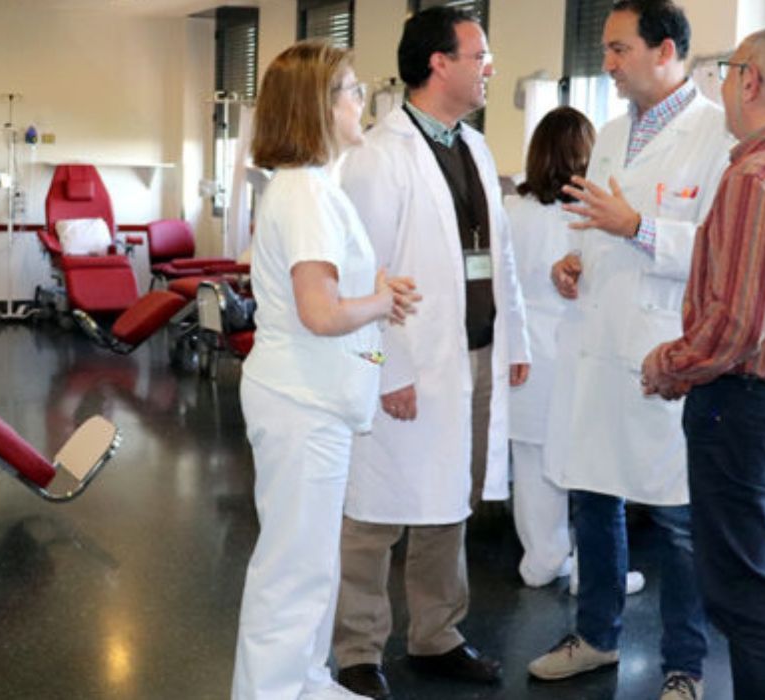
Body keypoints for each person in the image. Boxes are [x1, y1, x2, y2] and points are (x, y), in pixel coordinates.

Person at [527, 2, 731, 698]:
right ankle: (597, 637)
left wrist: (639, 226)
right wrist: (572, 261)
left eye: (619, 49)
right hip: (597, 345)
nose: (607, 65)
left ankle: (684, 666)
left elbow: (720, 251)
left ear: (666, 50)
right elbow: (593, 227)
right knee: (594, 498)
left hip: (662, 354)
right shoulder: (613, 132)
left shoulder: (718, 135)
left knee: (677, 522)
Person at [331, 8, 529, 698]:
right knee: (377, 512)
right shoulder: (379, 157)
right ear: (439, 63)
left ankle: (436, 634)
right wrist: (392, 370)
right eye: (479, 55)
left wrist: (516, 339)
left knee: (450, 501)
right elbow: (362, 276)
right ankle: (357, 648)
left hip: (471, 355)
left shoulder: (473, 147)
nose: (489, 68)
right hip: (407, 362)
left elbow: (496, 256)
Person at [230, 41, 420, 700]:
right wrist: (383, 300)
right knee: (294, 567)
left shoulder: (311, 188)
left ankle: (304, 681)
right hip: (301, 403)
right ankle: (274, 691)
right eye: (350, 89)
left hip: (310, 399)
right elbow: (320, 311)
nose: (361, 100)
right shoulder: (306, 194)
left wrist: (372, 292)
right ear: (317, 105)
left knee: (310, 563)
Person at [643, 23, 765, 700]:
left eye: (725, 72)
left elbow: (738, 325)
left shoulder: (756, 177)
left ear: (750, 81)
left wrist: (671, 363)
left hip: (742, 408)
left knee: (745, 599)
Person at [505, 106, 594, 588]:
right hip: (575, 353)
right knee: (585, 469)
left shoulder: (511, 212)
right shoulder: (590, 218)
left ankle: (542, 560)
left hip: (526, 357)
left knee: (534, 463)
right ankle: (593, 571)